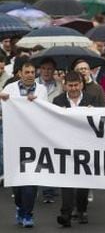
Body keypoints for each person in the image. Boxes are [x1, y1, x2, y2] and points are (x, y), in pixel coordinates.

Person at [0, 61, 48, 228]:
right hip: (14, 139)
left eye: (32, 72)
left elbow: (46, 111)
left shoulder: (41, 90)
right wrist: (2, 98)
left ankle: (28, 213)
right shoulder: (9, 89)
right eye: (26, 72)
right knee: (17, 182)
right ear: (19, 73)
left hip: (33, 140)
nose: (30, 75)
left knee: (31, 178)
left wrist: (36, 103)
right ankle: (20, 207)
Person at [53, 71, 96, 227]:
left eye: (76, 85)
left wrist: (94, 113)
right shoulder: (57, 101)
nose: (73, 88)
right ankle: (66, 214)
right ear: (65, 86)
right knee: (67, 181)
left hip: (86, 147)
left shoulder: (91, 100)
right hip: (65, 146)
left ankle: (82, 210)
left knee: (83, 181)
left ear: (82, 85)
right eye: (70, 85)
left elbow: (102, 121)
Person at [35, 58, 63, 204]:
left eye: (49, 69)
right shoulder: (33, 85)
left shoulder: (59, 85)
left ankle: (51, 188)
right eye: (44, 68)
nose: (46, 71)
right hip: (38, 125)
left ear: (54, 70)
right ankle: (45, 190)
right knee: (42, 157)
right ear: (39, 69)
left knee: (54, 157)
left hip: (55, 125)